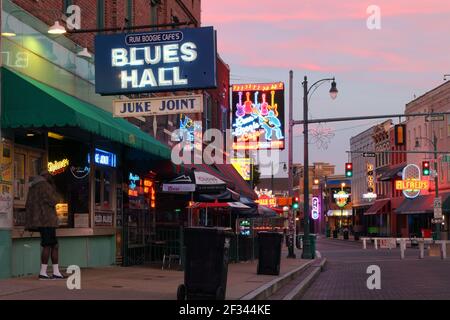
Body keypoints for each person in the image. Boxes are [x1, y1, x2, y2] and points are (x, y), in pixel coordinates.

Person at [25, 170, 65, 280]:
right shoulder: (45, 186)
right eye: (49, 175)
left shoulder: (33, 187)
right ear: (45, 176)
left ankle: (55, 272)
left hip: (40, 220)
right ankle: (43, 273)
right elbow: (55, 200)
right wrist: (53, 185)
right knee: (49, 245)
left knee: (53, 245)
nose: (51, 177)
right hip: (47, 220)